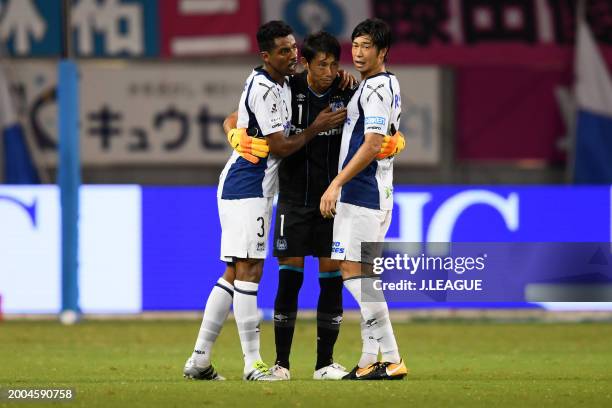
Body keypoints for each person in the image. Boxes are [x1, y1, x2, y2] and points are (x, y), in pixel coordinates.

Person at [226, 32, 405, 380]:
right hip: (293, 199)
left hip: (332, 202)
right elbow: (238, 115)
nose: (329, 71)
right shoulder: (286, 88)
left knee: (333, 279)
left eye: (334, 64)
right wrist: (233, 133)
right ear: (306, 64)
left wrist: (397, 139)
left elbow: (383, 127)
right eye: (321, 64)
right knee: (289, 281)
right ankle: (281, 364)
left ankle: (325, 363)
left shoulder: (349, 90)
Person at [182, 20, 346, 381]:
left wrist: (231, 132)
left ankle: (199, 359)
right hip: (248, 184)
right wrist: (316, 127)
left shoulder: (280, 81)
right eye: (284, 50)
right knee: (250, 270)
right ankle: (252, 363)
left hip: (255, 185)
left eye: (293, 48)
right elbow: (282, 146)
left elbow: (232, 117)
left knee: (233, 271)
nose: (292, 55)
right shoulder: (266, 88)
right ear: (266, 55)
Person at [319, 18, 408, 380]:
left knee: (351, 271)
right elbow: (386, 136)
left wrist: (336, 183)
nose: (357, 52)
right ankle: (370, 358)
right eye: (355, 45)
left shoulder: (373, 90)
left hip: (361, 192)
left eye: (366, 46)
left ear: (382, 51)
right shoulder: (386, 84)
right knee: (366, 276)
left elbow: (372, 142)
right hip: (380, 191)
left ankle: (392, 357)